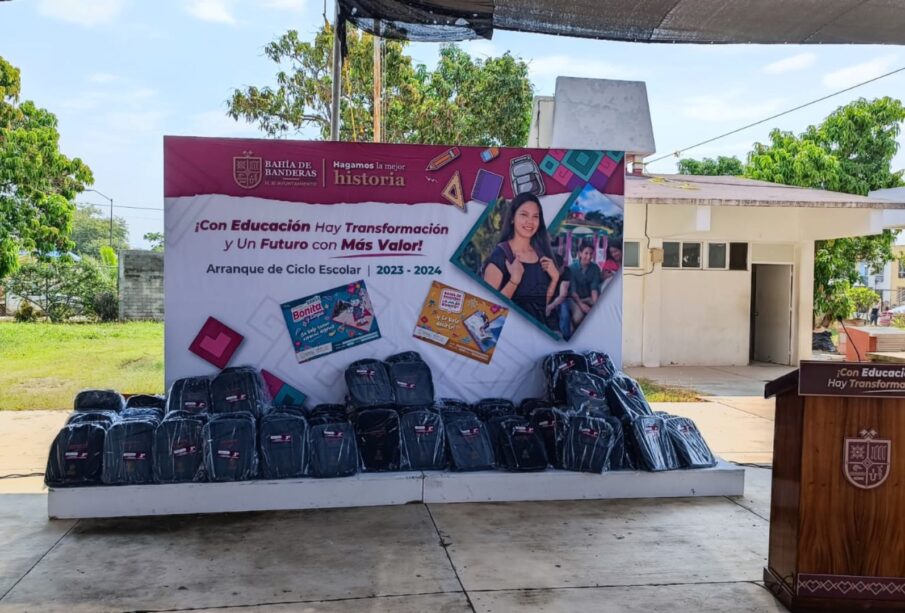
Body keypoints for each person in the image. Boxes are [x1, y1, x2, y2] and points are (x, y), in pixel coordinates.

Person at [483, 192, 559, 328]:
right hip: (510, 336)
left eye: (535, 216)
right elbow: (486, 313)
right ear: (512, 218)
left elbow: (542, 307)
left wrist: (554, 279)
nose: (530, 221)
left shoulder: (542, 254)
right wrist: (514, 281)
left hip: (537, 334)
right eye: (524, 215)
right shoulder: (500, 255)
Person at [569, 240, 600, 329]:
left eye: (591, 254)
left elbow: (594, 289)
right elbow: (573, 291)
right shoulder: (572, 268)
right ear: (580, 254)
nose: (589, 256)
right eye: (586, 253)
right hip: (575, 299)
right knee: (578, 318)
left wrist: (595, 305)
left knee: (598, 312)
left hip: (588, 297)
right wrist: (581, 305)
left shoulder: (595, 268)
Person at [545, 254, 572, 339]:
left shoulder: (567, 272)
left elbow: (562, 295)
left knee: (564, 308)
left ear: (562, 267)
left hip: (563, 299)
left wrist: (549, 307)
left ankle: (566, 336)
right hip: (550, 296)